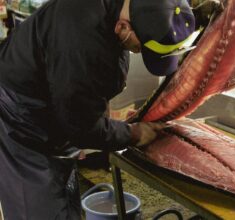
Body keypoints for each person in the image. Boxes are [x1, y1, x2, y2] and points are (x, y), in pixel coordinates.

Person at [0, 0, 195, 219]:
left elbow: (93, 82)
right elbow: (80, 125)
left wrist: (103, 120)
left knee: (63, 192)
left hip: (54, 89)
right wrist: (133, 133)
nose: (138, 52)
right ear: (122, 27)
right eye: (140, 48)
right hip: (21, 112)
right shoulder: (81, 41)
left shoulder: (123, 10)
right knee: (39, 204)